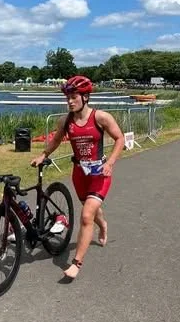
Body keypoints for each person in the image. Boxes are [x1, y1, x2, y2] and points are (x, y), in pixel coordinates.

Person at [31, 75, 125, 279]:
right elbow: (56, 140)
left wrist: (110, 163)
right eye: (67, 98)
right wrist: (43, 155)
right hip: (79, 173)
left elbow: (120, 138)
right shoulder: (65, 121)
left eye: (74, 97)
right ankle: (103, 224)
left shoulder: (101, 117)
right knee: (91, 210)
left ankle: (76, 263)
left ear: (86, 97)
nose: (70, 101)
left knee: (85, 215)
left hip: (100, 173)